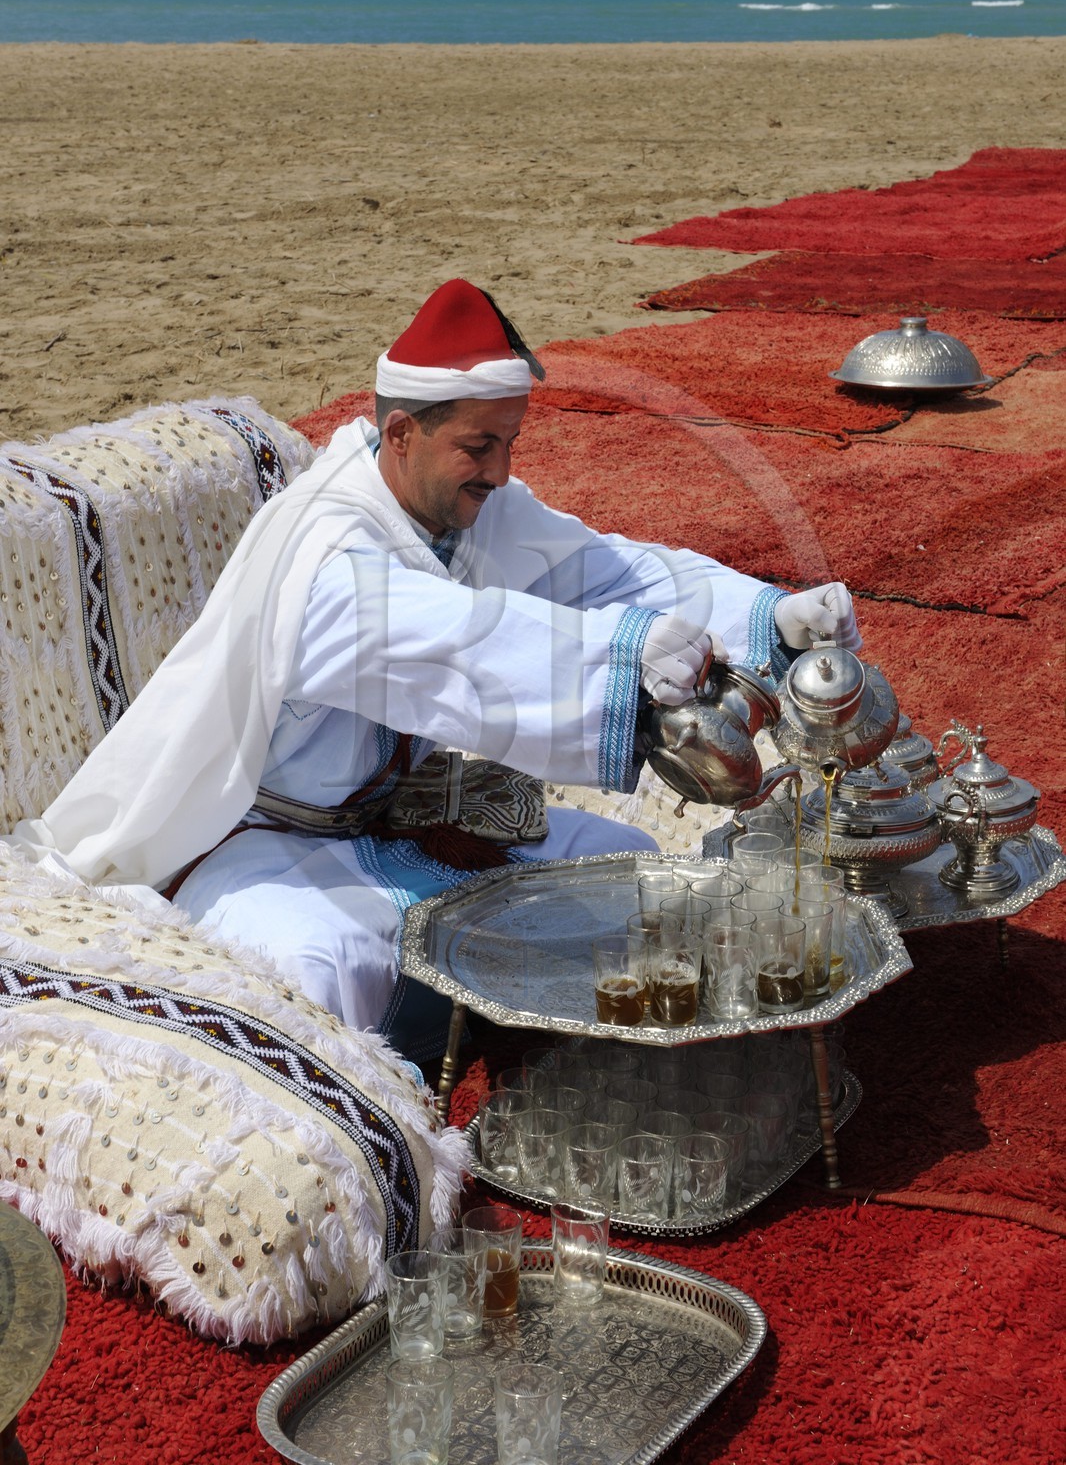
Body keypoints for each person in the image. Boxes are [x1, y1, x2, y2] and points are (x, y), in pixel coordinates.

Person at [14, 279, 861, 1060]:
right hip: (266, 840)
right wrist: (624, 657)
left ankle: (523, 1058)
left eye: (510, 443)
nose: (500, 470)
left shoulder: (459, 503)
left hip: (410, 815)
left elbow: (608, 570)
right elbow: (449, 642)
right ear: (400, 433)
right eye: (480, 445)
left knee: (628, 866)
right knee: (322, 962)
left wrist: (762, 615)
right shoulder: (324, 547)